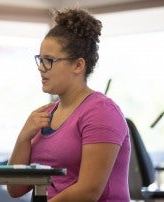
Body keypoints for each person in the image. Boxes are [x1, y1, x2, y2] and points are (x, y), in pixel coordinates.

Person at [7, 8, 130, 201]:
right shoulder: (45, 114)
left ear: (78, 66)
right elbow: (15, 189)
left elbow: (89, 190)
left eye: (49, 60)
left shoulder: (101, 111)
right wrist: (23, 137)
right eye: (40, 60)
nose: (41, 68)